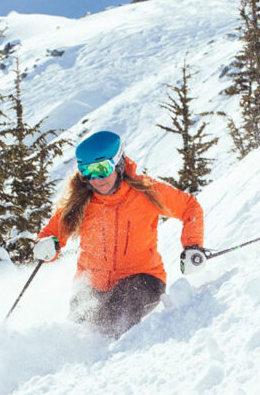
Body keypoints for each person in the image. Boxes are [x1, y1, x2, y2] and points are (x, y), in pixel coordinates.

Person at [33, 130, 205, 338]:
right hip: (92, 286)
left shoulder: (146, 192)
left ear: (118, 163)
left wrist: (192, 246)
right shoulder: (80, 202)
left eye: (102, 169)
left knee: (112, 320)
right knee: (76, 333)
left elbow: (190, 207)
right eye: (87, 171)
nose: (96, 179)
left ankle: (114, 365)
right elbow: (52, 234)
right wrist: (46, 245)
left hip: (143, 279)